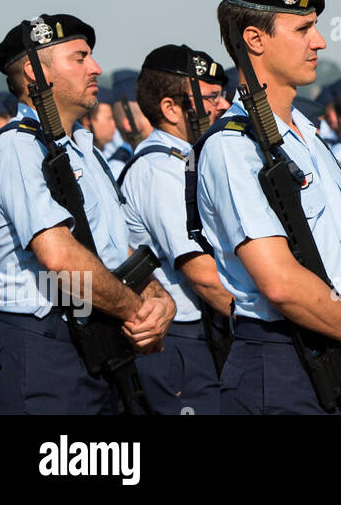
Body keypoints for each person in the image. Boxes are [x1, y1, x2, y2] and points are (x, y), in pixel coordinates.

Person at [193, 0, 341, 414]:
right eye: (303, 29)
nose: (320, 42)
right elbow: (280, 283)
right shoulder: (233, 147)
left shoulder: (308, 136)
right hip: (283, 363)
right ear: (255, 39)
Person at [0, 14, 175, 414]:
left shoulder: (84, 152)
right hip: (44, 349)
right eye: (80, 58)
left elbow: (118, 251)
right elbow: (59, 258)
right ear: (34, 72)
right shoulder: (18, 149)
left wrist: (160, 301)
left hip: (98, 339)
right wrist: (136, 311)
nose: (96, 68)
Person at [117, 44, 233, 415]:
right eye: (212, 97)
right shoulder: (162, 171)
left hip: (202, 332)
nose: (224, 105)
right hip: (180, 340)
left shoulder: (187, 161)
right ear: (170, 108)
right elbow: (203, 277)